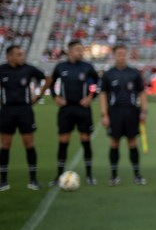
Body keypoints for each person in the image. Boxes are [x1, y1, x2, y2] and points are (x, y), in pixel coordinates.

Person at [42, 40, 100, 186]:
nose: (80, 52)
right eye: (77, 50)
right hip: (66, 109)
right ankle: (58, 175)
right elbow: (51, 83)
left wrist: (90, 97)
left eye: (82, 50)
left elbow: (96, 84)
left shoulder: (87, 67)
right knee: (63, 142)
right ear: (69, 51)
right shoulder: (61, 67)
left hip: (83, 109)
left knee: (85, 141)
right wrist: (55, 97)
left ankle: (89, 175)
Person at [98, 44, 147, 186]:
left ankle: (137, 175)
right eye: (119, 53)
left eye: (124, 53)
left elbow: (142, 93)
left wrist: (144, 111)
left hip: (132, 111)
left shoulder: (134, 73)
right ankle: (113, 176)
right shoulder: (108, 74)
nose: (121, 56)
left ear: (127, 55)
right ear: (114, 55)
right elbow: (102, 94)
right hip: (115, 112)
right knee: (114, 142)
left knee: (133, 143)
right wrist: (104, 114)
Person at [0, 44, 45, 190]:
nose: (22, 57)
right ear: (9, 56)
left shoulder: (28, 69)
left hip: (25, 110)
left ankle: (33, 180)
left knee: (29, 144)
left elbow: (47, 78)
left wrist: (38, 95)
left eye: (22, 54)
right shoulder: (2, 70)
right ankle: (3, 181)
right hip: (7, 111)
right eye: (19, 54)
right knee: (5, 145)